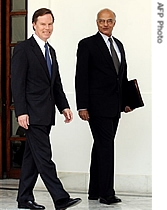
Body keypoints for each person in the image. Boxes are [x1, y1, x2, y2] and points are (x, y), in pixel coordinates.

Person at [11, 8, 81, 210]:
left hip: (46, 113)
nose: (47, 28)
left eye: (50, 24)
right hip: (32, 114)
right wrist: (21, 111)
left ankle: (24, 199)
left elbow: (55, 83)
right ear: (34, 24)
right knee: (44, 157)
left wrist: (64, 106)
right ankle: (60, 198)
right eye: (43, 24)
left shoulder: (51, 51)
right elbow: (17, 83)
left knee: (32, 158)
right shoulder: (24, 48)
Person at [75, 8, 132, 205]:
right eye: (101, 21)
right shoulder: (87, 44)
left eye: (109, 21)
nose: (105, 24)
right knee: (106, 146)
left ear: (114, 22)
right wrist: (82, 105)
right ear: (96, 22)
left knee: (100, 146)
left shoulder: (119, 45)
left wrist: (126, 102)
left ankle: (94, 190)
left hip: (115, 106)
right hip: (96, 107)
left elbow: (121, 76)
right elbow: (81, 77)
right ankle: (107, 193)